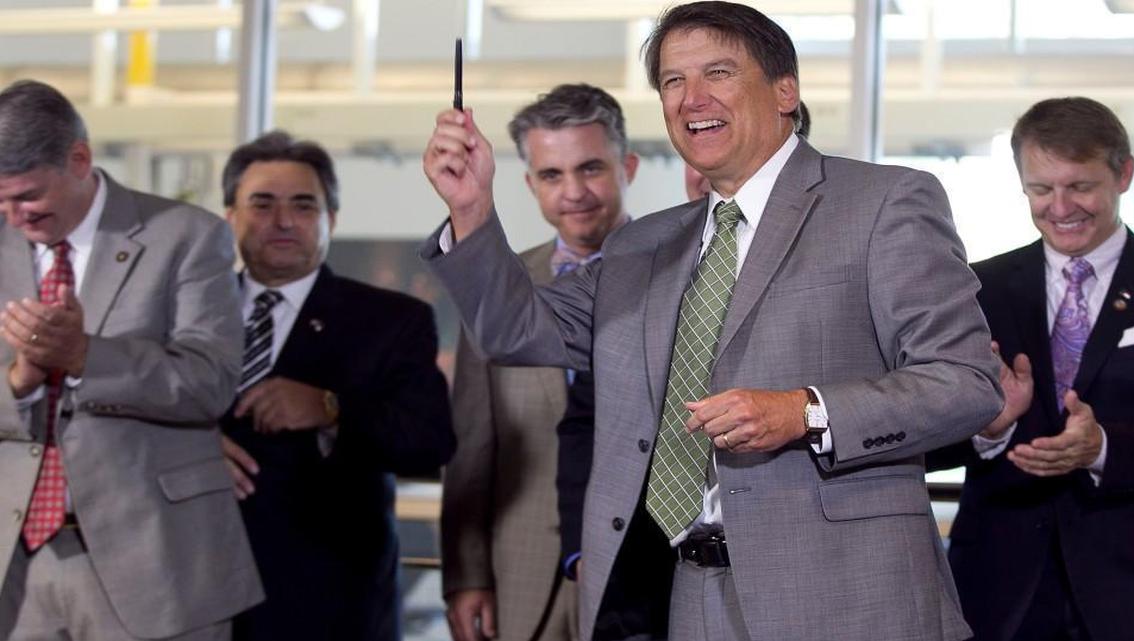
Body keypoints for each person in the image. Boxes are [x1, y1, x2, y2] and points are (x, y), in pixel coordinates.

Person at [422, 2, 1003, 639]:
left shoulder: (884, 202)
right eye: (673, 80)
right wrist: (472, 209)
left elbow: (966, 382)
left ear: (785, 91)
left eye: (718, 73)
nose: (692, 97)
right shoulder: (640, 247)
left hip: (847, 598)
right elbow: (514, 330)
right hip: (686, 597)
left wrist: (805, 412)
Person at [0, 79, 262, 640]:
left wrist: (84, 356)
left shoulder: (187, 237)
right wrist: (19, 379)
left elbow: (210, 382)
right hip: (15, 572)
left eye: (26, 196)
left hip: (156, 566)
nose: (12, 215)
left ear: (79, 160)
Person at [218, 130, 455, 641]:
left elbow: (429, 441)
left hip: (329, 605)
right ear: (230, 216)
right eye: (262, 204)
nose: (283, 220)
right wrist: (190, 447)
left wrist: (332, 409)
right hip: (194, 596)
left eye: (303, 205)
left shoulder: (391, 320)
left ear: (332, 219)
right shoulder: (186, 314)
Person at [927, 97, 1134, 641]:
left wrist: (1102, 449)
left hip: (1127, 585)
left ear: (1124, 174)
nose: (1060, 207)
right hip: (997, 590)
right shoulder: (977, 289)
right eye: (1041, 189)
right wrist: (988, 428)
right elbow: (919, 434)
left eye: (1080, 186)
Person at [442, 83, 644, 641]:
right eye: (552, 175)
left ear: (627, 167)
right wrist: (465, 575)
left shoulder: (680, 274)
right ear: (531, 185)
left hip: (644, 571)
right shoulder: (497, 289)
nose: (573, 192)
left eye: (591, 168)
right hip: (522, 572)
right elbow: (472, 444)